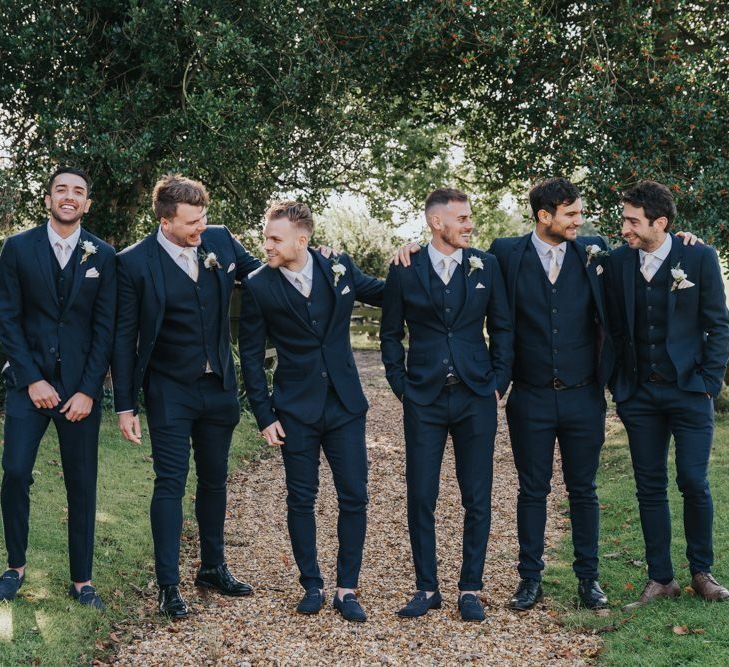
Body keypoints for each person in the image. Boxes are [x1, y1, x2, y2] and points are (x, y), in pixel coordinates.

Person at [112, 174, 258, 618]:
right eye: (192, 222)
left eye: (203, 218)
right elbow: (124, 337)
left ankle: (213, 567)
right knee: (170, 484)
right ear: (165, 220)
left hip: (218, 390)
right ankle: (168, 585)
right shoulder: (134, 262)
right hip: (169, 392)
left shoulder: (220, 241)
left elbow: (265, 273)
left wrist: (310, 255)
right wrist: (125, 404)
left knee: (214, 480)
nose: (201, 228)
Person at [239, 201, 383, 622]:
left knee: (354, 496)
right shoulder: (258, 285)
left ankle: (347, 588)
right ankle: (312, 584)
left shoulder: (338, 268)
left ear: (301, 240)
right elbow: (250, 357)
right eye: (266, 236)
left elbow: (386, 293)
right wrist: (265, 415)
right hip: (295, 410)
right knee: (301, 498)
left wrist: (416, 259)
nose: (266, 244)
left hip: (345, 405)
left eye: (274, 238)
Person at [380, 188, 513, 622]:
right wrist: (400, 383)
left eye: (469, 217)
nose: (469, 225)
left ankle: (470, 588)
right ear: (437, 223)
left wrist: (498, 380)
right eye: (462, 218)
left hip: (477, 395)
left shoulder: (486, 265)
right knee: (421, 495)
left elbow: (504, 328)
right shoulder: (405, 267)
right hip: (424, 397)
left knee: (477, 496)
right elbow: (389, 334)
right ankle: (427, 587)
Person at [489, 178, 612, 610]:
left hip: (584, 395)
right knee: (532, 490)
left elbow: (645, 257)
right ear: (545, 216)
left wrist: (685, 242)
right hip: (530, 396)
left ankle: (589, 580)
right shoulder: (506, 253)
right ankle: (529, 579)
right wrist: (411, 250)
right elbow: (461, 265)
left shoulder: (595, 251)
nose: (580, 221)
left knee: (584, 490)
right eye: (571, 214)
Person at [606, 180, 729, 609]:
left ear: (660, 223)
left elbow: (718, 323)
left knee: (694, 481)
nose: (625, 228)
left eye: (632, 221)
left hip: (690, 391)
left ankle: (701, 572)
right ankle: (661, 578)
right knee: (649, 486)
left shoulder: (698, 256)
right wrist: (617, 384)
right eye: (624, 219)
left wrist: (710, 382)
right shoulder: (617, 262)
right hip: (639, 395)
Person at [0, 166, 115, 608]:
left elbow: (105, 329)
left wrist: (88, 390)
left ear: (87, 203)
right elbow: (6, 319)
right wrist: (32, 380)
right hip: (29, 387)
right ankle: (15, 566)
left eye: (78, 191)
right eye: (61, 190)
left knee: (82, 483)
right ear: (48, 199)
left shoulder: (103, 255)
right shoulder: (17, 248)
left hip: (80, 391)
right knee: (14, 472)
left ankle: (82, 580)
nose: (69, 196)